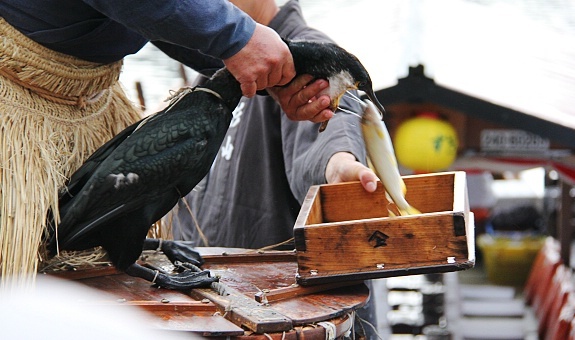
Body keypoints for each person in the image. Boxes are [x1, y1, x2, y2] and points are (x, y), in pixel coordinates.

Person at [0, 0, 336, 288]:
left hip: (88, 105)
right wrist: (236, 37)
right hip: (17, 113)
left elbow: (148, 16)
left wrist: (266, 76)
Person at [169, 0, 378, 252]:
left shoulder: (310, 58)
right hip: (213, 279)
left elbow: (336, 120)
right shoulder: (220, 61)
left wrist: (338, 165)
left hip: (274, 285)